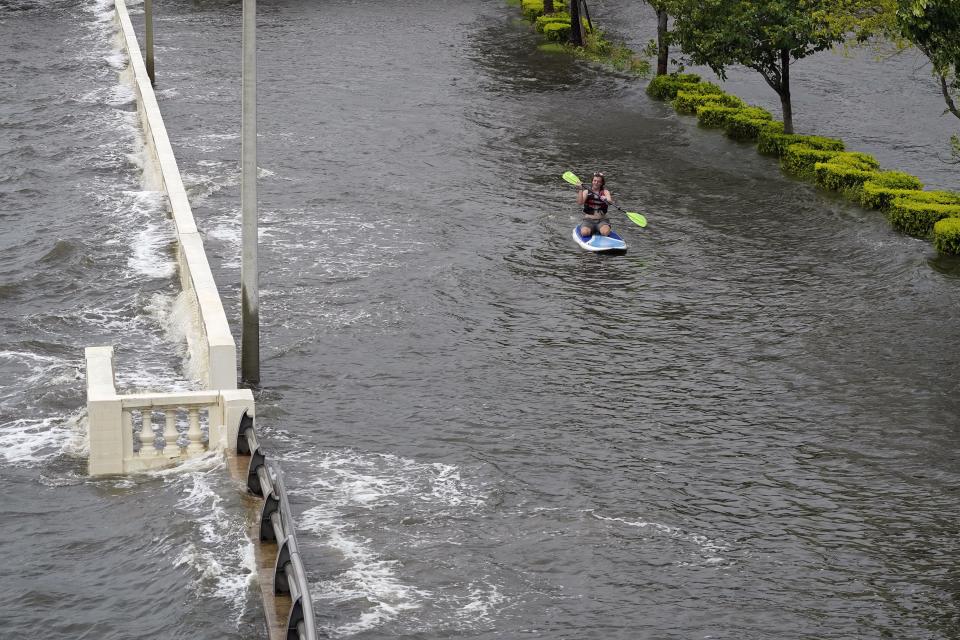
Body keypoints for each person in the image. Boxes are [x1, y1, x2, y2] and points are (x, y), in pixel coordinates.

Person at [576, 171, 613, 238]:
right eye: (594, 181)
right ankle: (588, 228)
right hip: (588, 220)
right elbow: (580, 203)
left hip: (602, 220)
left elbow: (610, 202)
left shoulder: (605, 192)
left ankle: (600, 229)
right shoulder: (586, 192)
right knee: (585, 233)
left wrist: (606, 199)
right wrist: (580, 190)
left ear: (601, 183)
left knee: (605, 232)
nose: (596, 183)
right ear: (592, 181)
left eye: (598, 181)